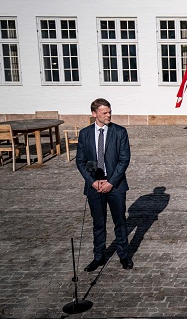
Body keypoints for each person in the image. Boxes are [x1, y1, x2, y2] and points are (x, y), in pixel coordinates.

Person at [76, 98, 133, 271]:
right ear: (94, 114)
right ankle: (99, 256)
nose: (108, 115)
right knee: (98, 223)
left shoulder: (119, 132)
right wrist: (92, 182)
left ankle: (124, 256)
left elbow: (124, 160)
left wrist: (111, 182)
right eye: (104, 113)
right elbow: (80, 161)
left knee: (120, 222)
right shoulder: (85, 134)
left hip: (115, 185)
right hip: (95, 186)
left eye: (109, 112)